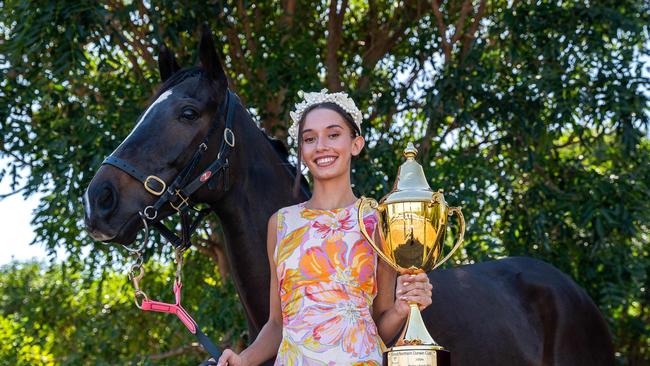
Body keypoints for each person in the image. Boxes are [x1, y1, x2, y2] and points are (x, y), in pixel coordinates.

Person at [216, 89, 433, 365]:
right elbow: (276, 324)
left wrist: (403, 308)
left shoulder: (377, 220)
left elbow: (379, 322)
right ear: (302, 151)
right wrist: (243, 360)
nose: (321, 146)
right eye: (309, 139)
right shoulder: (281, 224)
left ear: (356, 144)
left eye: (333, 134)